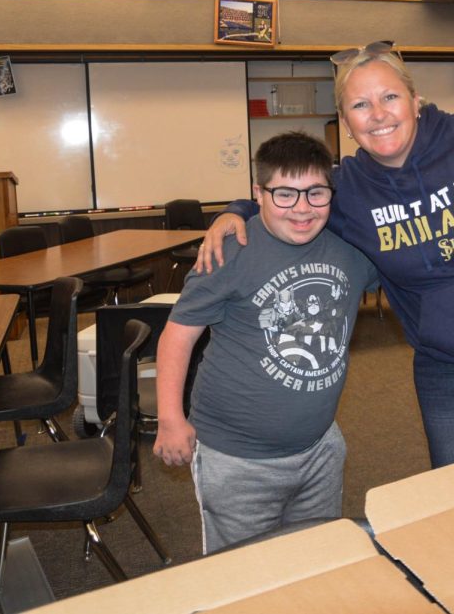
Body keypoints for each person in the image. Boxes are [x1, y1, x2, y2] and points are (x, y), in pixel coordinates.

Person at [197, 41, 454, 469]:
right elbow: (290, 202)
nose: (378, 114)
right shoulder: (348, 192)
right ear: (346, 123)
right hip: (450, 375)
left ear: (415, 101)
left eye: (390, 97)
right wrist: (235, 211)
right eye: (360, 105)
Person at [153, 131, 378, 554]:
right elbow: (177, 336)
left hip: (319, 450)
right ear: (258, 193)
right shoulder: (231, 249)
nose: (302, 209)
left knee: (312, 562)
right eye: (284, 195)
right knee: (244, 576)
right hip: (236, 460)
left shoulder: (350, 251)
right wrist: (170, 418)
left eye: (315, 193)